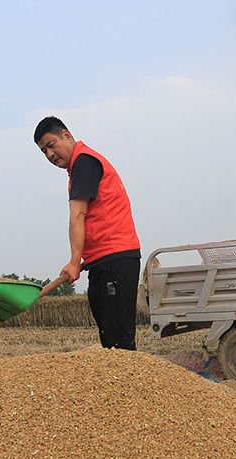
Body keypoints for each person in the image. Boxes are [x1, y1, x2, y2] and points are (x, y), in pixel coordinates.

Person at [33, 116, 141, 350]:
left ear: (67, 135)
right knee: (108, 337)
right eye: (44, 152)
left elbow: (78, 214)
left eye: (51, 145)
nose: (50, 155)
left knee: (118, 340)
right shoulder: (79, 168)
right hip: (101, 261)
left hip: (116, 257)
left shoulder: (84, 162)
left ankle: (126, 383)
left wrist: (73, 261)